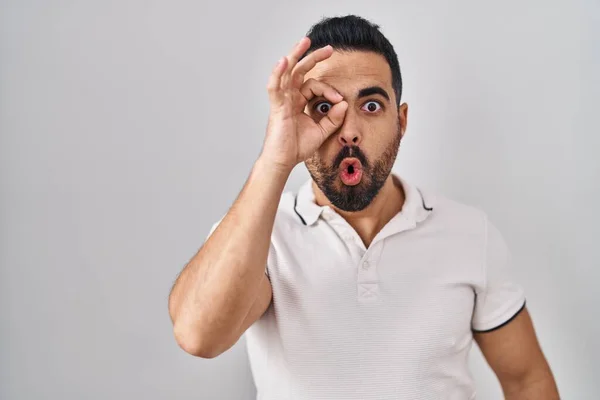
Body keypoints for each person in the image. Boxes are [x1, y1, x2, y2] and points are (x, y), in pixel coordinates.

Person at [168, 15, 559, 399]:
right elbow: (198, 335)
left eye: (371, 106)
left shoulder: (470, 234)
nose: (349, 131)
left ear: (401, 122)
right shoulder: (260, 236)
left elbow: (527, 381)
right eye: (324, 108)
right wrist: (275, 159)